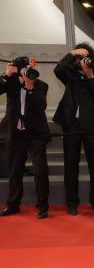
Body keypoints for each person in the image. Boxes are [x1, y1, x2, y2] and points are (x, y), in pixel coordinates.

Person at [53, 43, 94, 216]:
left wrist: (89, 75)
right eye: (79, 58)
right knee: (70, 166)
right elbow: (58, 69)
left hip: (90, 126)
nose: (81, 61)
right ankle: (72, 203)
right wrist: (73, 52)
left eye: (85, 57)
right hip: (71, 125)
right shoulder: (70, 75)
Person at [0, 60, 50, 219]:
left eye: (29, 71)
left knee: (40, 170)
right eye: (24, 71)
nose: (27, 74)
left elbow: (40, 105)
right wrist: (6, 75)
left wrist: (30, 88)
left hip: (36, 134)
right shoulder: (11, 83)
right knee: (14, 170)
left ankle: (42, 206)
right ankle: (13, 204)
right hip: (16, 133)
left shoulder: (41, 85)